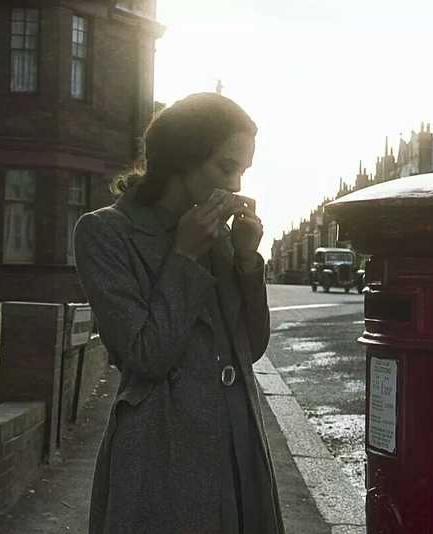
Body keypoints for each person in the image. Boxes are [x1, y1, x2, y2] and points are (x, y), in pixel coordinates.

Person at [73, 92, 284, 534]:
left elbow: (252, 346)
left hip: (237, 437)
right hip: (161, 448)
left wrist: (247, 261)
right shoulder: (106, 233)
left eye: (242, 171)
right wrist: (184, 257)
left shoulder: (219, 234)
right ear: (182, 159)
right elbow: (144, 355)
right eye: (226, 168)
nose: (237, 186)